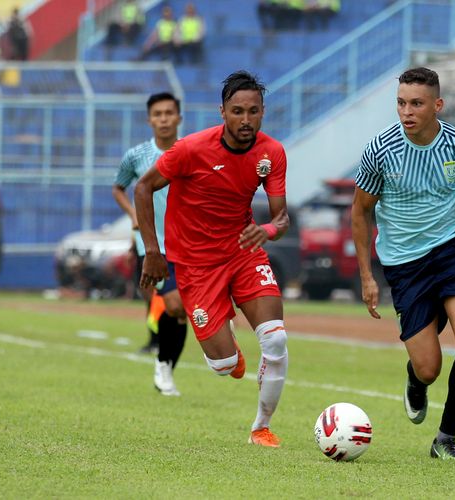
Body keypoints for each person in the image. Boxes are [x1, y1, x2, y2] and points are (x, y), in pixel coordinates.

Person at [135, 71, 290, 447]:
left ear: (263, 112)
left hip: (243, 252)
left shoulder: (271, 153)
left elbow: (281, 218)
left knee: (275, 339)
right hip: (195, 267)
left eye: (253, 112)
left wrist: (266, 231)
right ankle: (227, 348)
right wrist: (153, 252)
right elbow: (143, 187)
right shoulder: (191, 149)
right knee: (223, 366)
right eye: (237, 111)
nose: (246, 120)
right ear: (222, 112)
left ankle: (261, 427)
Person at [351, 67, 455, 461]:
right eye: (401, 103)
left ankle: (445, 439)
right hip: (404, 263)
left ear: (437, 105)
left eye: (416, 103)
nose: (407, 111)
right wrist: (367, 275)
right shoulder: (379, 149)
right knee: (429, 368)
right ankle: (416, 379)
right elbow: (361, 213)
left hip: (452, 250)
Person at [112, 92, 188, 396]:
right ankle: (162, 363)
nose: (164, 119)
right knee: (174, 303)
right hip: (152, 242)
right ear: (149, 119)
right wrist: (132, 213)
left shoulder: (191, 151)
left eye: (169, 113)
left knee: (181, 311)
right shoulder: (136, 156)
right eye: (158, 114)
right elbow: (119, 187)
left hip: (187, 241)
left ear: (179, 118)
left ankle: (165, 366)